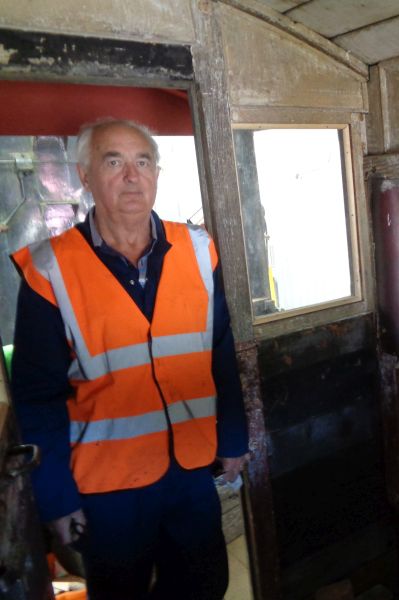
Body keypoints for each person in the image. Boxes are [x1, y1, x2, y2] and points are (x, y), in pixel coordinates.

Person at [10, 119, 249, 599]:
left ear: (157, 174)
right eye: (113, 161)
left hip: (190, 472)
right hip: (108, 487)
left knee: (205, 585)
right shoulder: (49, 269)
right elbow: (37, 399)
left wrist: (234, 437)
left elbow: (221, 353)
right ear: (85, 175)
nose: (132, 176)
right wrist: (57, 499)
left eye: (143, 162)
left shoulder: (199, 250)